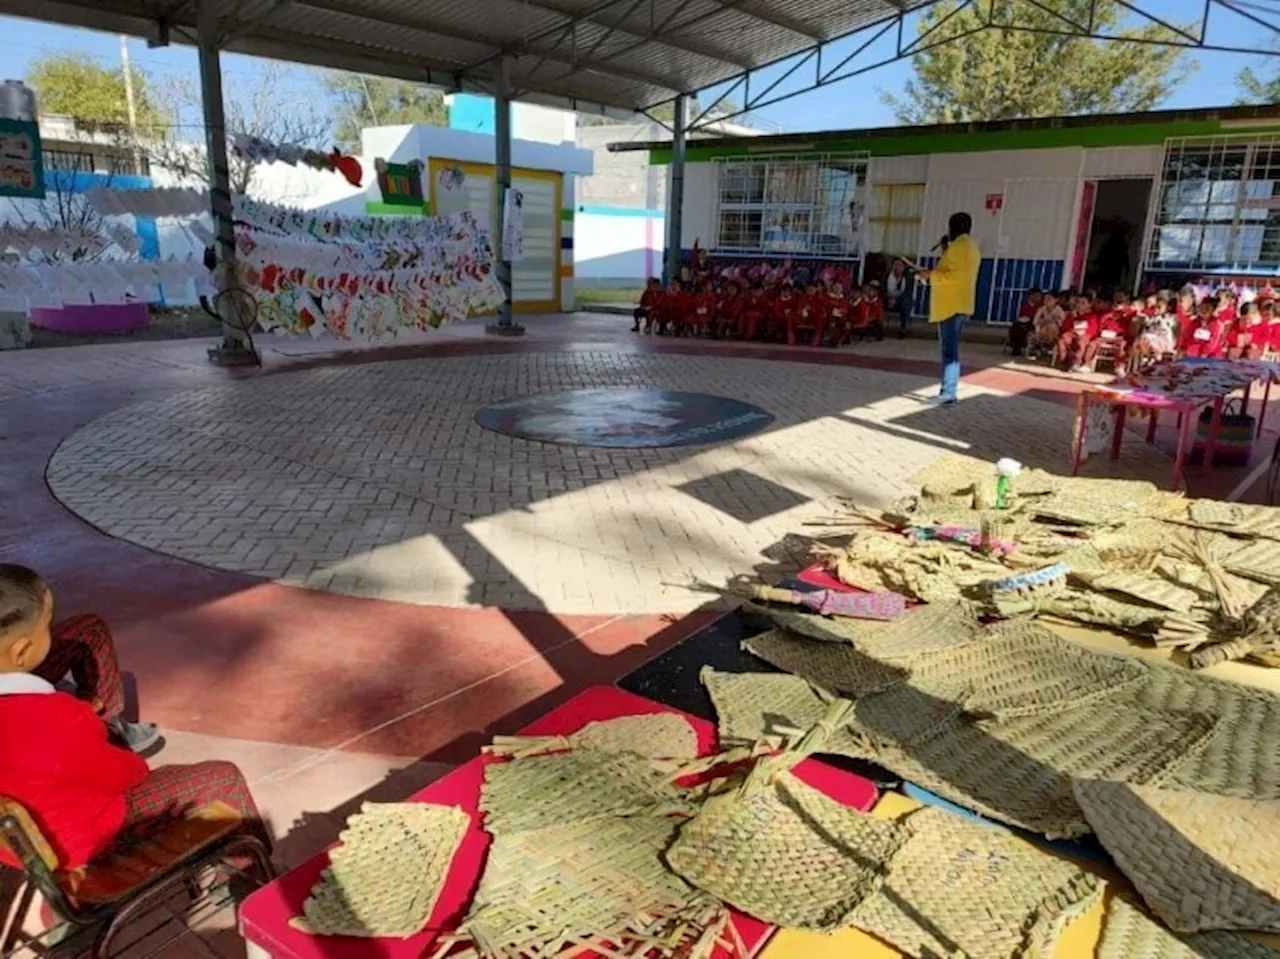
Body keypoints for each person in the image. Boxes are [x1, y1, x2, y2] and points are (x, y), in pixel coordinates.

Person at [0, 565, 269, 871]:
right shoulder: (59, 717)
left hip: (21, 844)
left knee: (87, 633)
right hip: (82, 840)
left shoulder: (49, 717)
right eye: (47, 627)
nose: (52, 632)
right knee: (223, 777)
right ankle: (254, 880)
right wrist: (98, 735)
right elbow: (128, 775)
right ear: (21, 651)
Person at [917, 213, 980, 406]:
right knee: (950, 350)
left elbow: (952, 276)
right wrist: (945, 250)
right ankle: (948, 390)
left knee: (949, 352)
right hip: (961, 304)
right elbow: (954, 271)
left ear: (953, 227)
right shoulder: (970, 247)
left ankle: (948, 392)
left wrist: (929, 275)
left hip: (951, 306)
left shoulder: (960, 247)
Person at [1028, 291, 1065, 361]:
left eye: (1049, 299)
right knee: (1042, 328)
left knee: (1051, 325)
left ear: (1056, 300)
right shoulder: (1042, 309)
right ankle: (1040, 347)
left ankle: (1043, 346)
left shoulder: (1059, 310)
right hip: (1041, 330)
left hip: (1053, 333)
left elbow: (1061, 323)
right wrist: (1043, 321)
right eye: (1045, 299)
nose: (1046, 301)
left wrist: (1052, 321)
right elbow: (1035, 321)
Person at [885, 259, 915, 339]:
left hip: (900, 299)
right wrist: (889, 298)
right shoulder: (887, 275)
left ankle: (903, 329)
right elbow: (882, 289)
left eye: (900, 265)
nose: (897, 267)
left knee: (906, 302)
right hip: (887, 298)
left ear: (904, 267)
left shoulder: (907, 277)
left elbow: (908, 292)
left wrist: (896, 299)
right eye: (896, 264)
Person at [1008, 288, 1043, 356]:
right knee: (1016, 327)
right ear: (1031, 296)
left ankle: (1019, 347)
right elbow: (1022, 315)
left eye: (1039, 296)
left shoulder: (1041, 306)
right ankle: (1016, 347)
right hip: (1024, 322)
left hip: (1034, 323)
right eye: (1037, 296)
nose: (1039, 298)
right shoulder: (1025, 305)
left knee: (1023, 328)